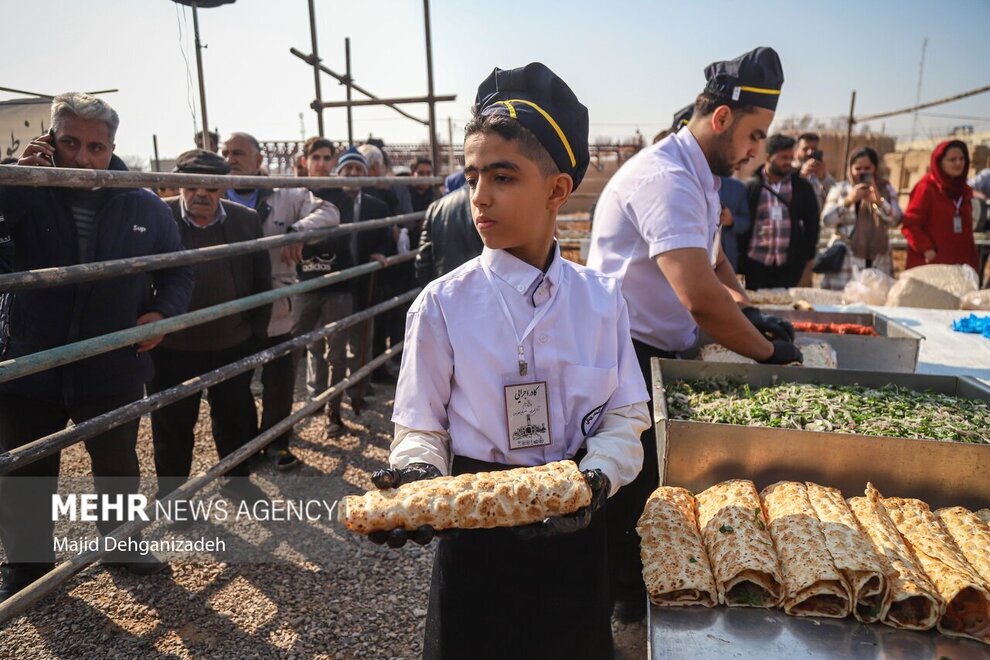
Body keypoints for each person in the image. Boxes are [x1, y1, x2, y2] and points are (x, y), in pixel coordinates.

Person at [375, 61, 649, 659]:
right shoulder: (442, 306)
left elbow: (625, 421)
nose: (479, 196)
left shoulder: (601, 301)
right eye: (471, 175)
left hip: (576, 532)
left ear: (557, 189)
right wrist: (421, 474)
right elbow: (419, 426)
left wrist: (594, 479)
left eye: (503, 176)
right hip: (476, 542)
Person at [587, 47, 801, 622]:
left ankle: (645, 595)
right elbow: (698, 296)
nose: (758, 151)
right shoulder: (666, 177)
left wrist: (747, 309)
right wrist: (767, 352)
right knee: (631, 488)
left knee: (656, 484)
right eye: (755, 136)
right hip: (622, 355)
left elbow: (713, 266)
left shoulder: (700, 174)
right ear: (723, 119)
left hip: (656, 348)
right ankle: (628, 611)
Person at [0, 93, 194, 601]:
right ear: (49, 139)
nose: (83, 158)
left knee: (116, 460)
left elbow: (178, 269)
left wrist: (164, 314)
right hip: (31, 358)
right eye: (70, 143)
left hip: (111, 361)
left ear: (111, 148)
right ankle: (27, 565)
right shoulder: (18, 189)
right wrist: (20, 182)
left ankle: (121, 545)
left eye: (96, 147)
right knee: (28, 465)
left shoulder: (143, 203)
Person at [150, 150, 271, 504]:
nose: (201, 193)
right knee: (172, 424)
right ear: (179, 184)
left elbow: (261, 277)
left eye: (211, 186)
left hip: (231, 340)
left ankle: (237, 480)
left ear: (222, 188)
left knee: (235, 415)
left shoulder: (245, 220)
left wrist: (255, 335)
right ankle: (174, 496)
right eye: (191, 184)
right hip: (171, 346)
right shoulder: (160, 215)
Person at [221, 132, 340, 470]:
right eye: (227, 152)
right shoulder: (213, 190)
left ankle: (276, 443)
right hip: (230, 302)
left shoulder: (287, 192)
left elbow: (329, 212)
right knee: (236, 380)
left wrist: (297, 230)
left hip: (275, 299)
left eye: (240, 153)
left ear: (259, 160)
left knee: (278, 377)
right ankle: (244, 445)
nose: (231, 159)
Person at [294, 147, 390, 436]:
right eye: (347, 169)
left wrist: (379, 253)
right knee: (311, 343)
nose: (351, 174)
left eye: (358, 170)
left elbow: (383, 236)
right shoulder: (317, 198)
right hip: (313, 277)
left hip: (354, 279)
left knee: (351, 340)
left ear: (365, 175)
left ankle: (348, 395)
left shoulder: (376, 206)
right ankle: (316, 396)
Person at [739, 134, 820, 290]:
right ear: (769, 158)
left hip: (788, 267)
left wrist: (805, 260)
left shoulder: (802, 188)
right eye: (783, 157)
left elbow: (812, 225)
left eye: (791, 157)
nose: (788, 162)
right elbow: (742, 226)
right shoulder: (751, 187)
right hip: (756, 266)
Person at [819, 147, 903, 290]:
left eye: (867, 168)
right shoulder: (840, 189)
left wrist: (879, 201)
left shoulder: (886, 189)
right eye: (858, 168)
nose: (863, 173)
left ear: (875, 168)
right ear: (850, 169)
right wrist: (848, 201)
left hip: (878, 258)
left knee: (875, 301)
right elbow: (827, 221)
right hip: (847, 260)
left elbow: (896, 220)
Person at [901, 140, 978, 272]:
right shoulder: (926, 188)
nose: (958, 163)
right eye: (952, 160)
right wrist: (927, 249)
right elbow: (910, 224)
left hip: (960, 264)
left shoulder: (964, 191)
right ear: (940, 162)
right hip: (932, 265)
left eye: (961, 159)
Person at [414, 185, 482, 286]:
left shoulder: (436, 207)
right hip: (483, 289)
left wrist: (434, 292)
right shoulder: (488, 205)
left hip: (446, 289)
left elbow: (423, 263)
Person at [793, 132, 835, 210]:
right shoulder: (788, 171)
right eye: (805, 149)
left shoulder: (820, 172)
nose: (810, 152)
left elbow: (835, 195)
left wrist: (823, 178)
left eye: (813, 149)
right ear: (796, 152)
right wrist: (801, 176)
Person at [718, 175, 751, 271]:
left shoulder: (738, 187)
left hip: (728, 257)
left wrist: (732, 221)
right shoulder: (694, 182)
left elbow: (746, 222)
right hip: (701, 254)